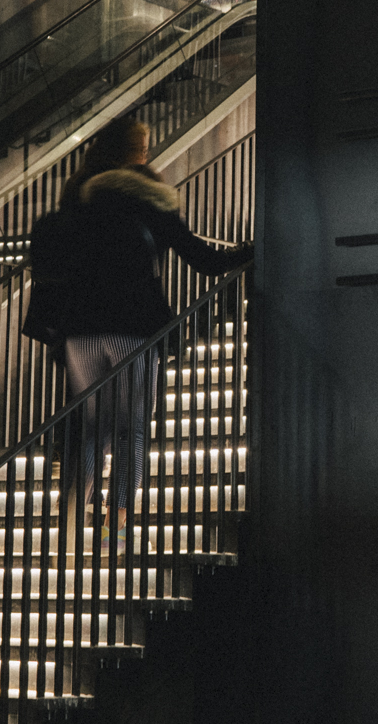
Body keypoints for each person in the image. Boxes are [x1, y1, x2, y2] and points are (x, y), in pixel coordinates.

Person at [53, 117, 251, 549]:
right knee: (133, 430)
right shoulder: (151, 197)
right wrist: (245, 254)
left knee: (94, 427)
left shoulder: (81, 198)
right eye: (144, 148)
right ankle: (115, 531)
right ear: (136, 154)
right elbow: (200, 257)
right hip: (133, 328)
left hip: (81, 331)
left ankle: (74, 508)